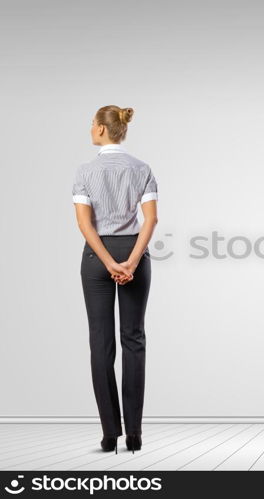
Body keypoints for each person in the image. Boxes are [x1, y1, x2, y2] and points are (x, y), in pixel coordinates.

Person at [72, 105, 158, 454]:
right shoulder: (142, 169)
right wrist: (131, 262)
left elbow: (84, 225)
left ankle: (110, 434)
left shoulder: (84, 172)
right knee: (133, 340)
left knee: (100, 342)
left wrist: (109, 263)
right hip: (135, 253)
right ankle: (134, 434)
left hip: (97, 257)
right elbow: (150, 220)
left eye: (93, 124)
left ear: (103, 130)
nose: (90, 128)